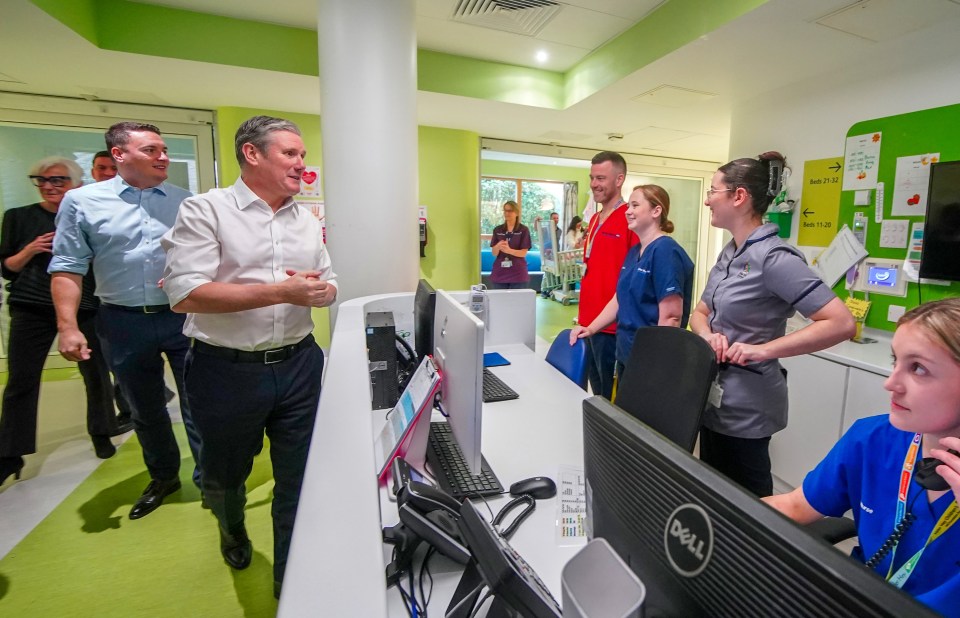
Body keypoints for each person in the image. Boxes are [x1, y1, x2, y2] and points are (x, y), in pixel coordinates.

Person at [161, 115, 336, 598]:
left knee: (299, 477)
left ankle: (290, 579)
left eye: (303, 155)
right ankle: (231, 527)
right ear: (252, 154)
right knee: (224, 475)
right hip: (225, 370)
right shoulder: (206, 210)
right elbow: (186, 293)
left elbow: (326, 275)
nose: (302, 164)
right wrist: (281, 291)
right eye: (291, 154)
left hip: (300, 364)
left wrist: (324, 293)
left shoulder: (306, 219)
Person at [764, 298, 960, 618]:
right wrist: (708, 512)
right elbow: (795, 506)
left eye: (919, 368)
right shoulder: (871, 439)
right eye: (895, 361)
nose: (891, 383)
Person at [50, 121, 202, 519]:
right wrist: (68, 326)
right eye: (152, 150)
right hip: (122, 321)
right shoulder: (82, 202)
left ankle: (210, 479)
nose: (163, 157)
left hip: (182, 317)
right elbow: (67, 267)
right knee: (144, 407)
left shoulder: (186, 202)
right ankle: (164, 476)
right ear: (119, 155)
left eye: (164, 149)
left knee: (199, 402)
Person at [689, 152, 855, 497]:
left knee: (749, 500)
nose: (707, 200)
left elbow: (840, 322)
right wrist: (708, 336)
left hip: (748, 403)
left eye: (713, 191)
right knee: (715, 491)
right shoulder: (729, 254)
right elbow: (699, 312)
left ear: (739, 196)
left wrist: (762, 349)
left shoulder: (775, 258)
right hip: (712, 396)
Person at [0, 157, 128, 485]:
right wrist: (29, 250)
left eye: (57, 180)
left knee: (96, 375)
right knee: (21, 381)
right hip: (32, 307)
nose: (49, 186)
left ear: (74, 183)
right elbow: (7, 267)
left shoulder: (87, 215)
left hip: (85, 306)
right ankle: (10, 454)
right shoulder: (18, 217)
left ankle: (102, 432)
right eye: (41, 180)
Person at [569, 185, 694, 384]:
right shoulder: (635, 251)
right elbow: (619, 298)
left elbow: (671, 318)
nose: (628, 211)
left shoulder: (665, 251)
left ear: (656, 211)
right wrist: (590, 329)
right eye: (628, 206)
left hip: (650, 358)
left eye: (635, 205)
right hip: (628, 352)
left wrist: (657, 365)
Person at [578, 151, 639, 399]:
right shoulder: (593, 219)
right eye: (592, 178)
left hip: (611, 327)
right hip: (587, 322)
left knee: (609, 397)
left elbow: (634, 278)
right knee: (595, 392)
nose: (594, 184)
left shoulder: (629, 221)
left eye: (601, 178)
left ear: (619, 179)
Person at [489, 200, 531, 290]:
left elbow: (523, 253)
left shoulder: (523, 230)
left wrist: (509, 251)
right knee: (499, 301)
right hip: (500, 272)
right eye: (505, 210)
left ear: (516, 213)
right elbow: (494, 253)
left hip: (518, 273)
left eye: (510, 211)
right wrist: (498, 246)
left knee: (517, 302)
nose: (507, 213)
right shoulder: (498, 230)